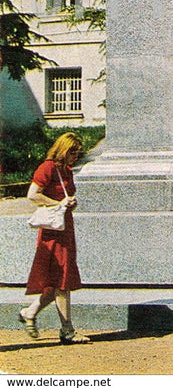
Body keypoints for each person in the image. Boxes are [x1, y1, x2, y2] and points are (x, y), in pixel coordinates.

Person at [19, 132, 89, 344]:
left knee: (59, 280)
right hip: (53, 231)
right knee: (61, 279)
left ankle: (29, 313)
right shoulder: (48, 167)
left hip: (64, 228)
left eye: (77, 153)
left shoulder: (65, 170)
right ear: (64, 150)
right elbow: (32, 195)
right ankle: (67, 330)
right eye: (73, 152)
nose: (75, 156)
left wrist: (69, 204)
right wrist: (56, 204)